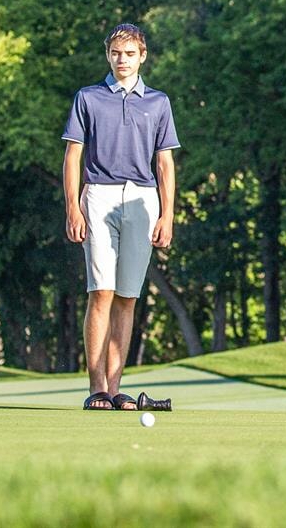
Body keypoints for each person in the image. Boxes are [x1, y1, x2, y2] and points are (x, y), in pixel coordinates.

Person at [62, 23, 180, 412]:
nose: (122, 60)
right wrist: (73, 207)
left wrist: (168, 215)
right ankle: (97, 388)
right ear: (108, 55)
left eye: (130, 54)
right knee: (101, 292)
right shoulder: (89, 98)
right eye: (116, 53)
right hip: (98, 194)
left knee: (127, 298)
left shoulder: (158, 102)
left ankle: (116, 388)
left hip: (143, 200)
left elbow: (164, 164)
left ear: (142, 56)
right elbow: (73, 156)